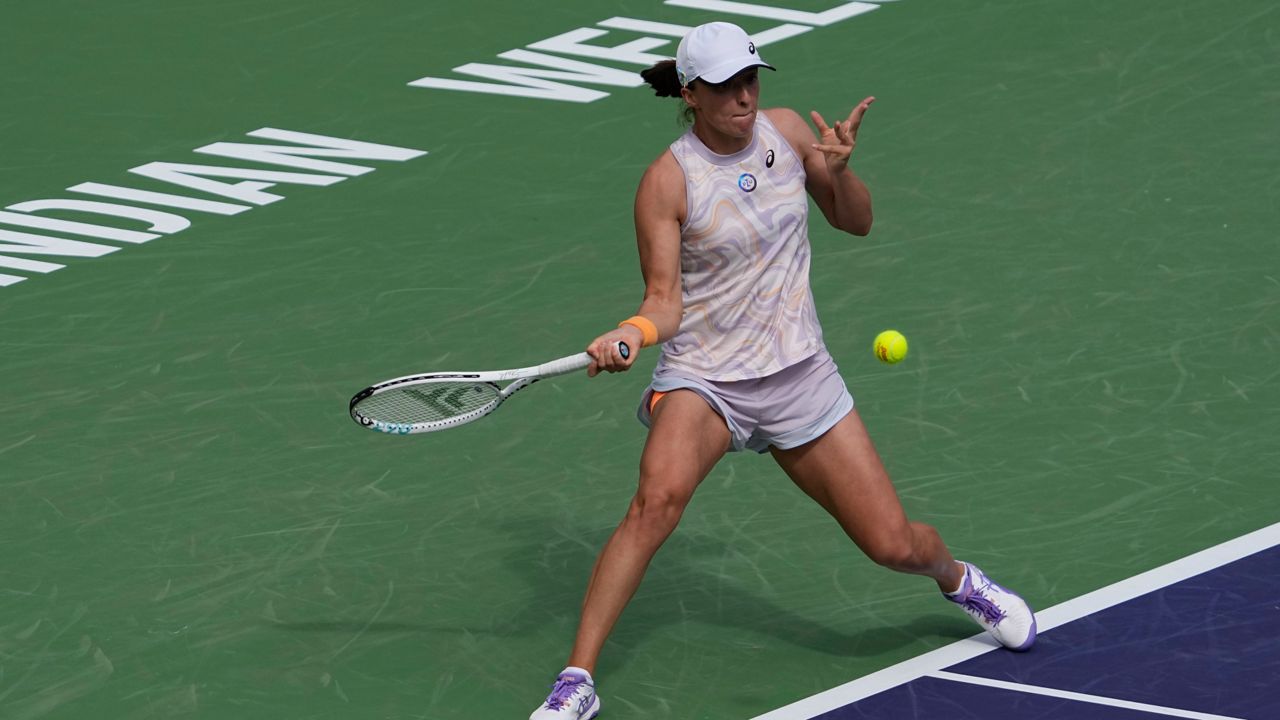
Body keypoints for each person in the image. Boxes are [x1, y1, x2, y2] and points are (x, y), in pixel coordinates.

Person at [528, 21, 1035, 720]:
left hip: (799, 375)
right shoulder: (666, 182)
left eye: (751, 78)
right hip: (706, 379)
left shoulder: (791, 133)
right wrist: (632, 333)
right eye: (727, 85)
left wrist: (840, 169)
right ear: (690, 93)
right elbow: (664, 303)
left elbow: (856, 223)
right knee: (653, 506)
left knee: (893, 544)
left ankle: (958, 579)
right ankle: (576, 681)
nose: (744, 94)